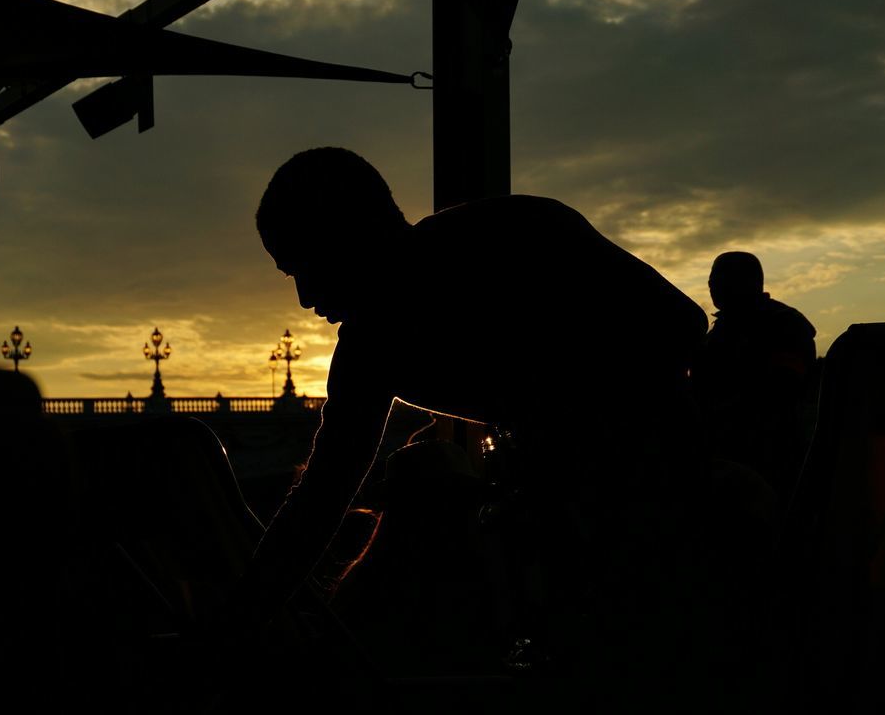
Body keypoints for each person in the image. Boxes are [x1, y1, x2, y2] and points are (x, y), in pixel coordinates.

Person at [233, 147, 711, 693]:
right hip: (611, 524)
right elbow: (323, 494)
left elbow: (681, 327)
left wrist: (234, 622)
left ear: (354, 233)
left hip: (651, 512)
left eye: (306, 266)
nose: (304, 298)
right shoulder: (378, 339)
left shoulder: (518, 235)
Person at [692, 251, 817, 493]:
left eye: (721, 279)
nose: (713, 287)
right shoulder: (714, 336)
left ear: (750, 281)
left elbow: (783, 389)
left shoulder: (783, 324)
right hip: (719, 457)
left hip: (771, 456)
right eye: (711, 281)